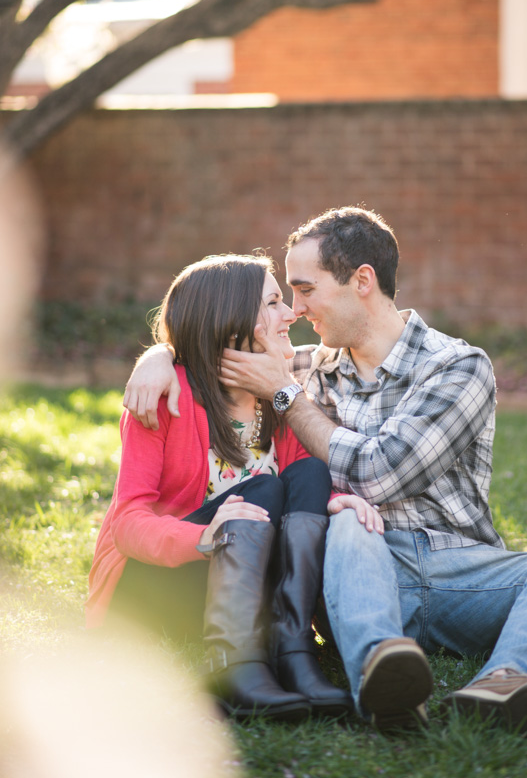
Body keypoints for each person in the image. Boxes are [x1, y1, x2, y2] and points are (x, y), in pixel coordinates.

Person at [124, 209, 527, 738]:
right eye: (289, 294)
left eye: (306, 289)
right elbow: (221, 336)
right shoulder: (309, 363)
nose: (296, 309)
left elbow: (380, 473)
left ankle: (504, 684)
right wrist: (161, 356)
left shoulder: (457, 367)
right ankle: (381, 670)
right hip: (353, 574)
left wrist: (286, 395)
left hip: (457, 568)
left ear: (362, 281)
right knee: (354, 521)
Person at [89, 252, 381, 722]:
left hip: (243, 592)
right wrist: (202, 536)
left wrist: (335, 501)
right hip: (154, 589)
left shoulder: (275, 399)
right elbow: (126, 523)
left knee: (309, 474)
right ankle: (232, 663)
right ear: (229, 321)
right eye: (272, 302)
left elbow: (305, 476)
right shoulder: (167, 398)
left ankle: (293, 649)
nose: (290, 313)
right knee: (261, 491)